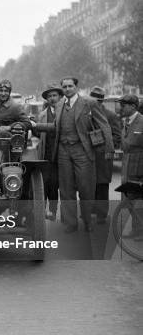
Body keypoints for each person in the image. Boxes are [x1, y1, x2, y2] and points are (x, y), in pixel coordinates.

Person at [34, 77, 114, 233]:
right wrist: (35, 125)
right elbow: (55, 126)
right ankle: (70, 223)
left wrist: (109, 148)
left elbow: (104, 124)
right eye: (64, 86)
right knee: (66, 189)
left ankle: (87, 220)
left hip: (82, 149)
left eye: (70, 86)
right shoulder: (59, 105)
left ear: (76, 87)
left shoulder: (89, 103)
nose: (67, 89)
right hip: (63, 151)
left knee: (86, 187)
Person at [89, 86, 122, 224]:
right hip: (87, 155)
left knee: (102, 185)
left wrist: (104, 144)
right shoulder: (84, 114)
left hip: (102, 156)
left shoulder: (110, 115)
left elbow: (117, 136)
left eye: (98, 101)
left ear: (101, 101)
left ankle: (102, 214)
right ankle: (91, 210)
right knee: (88, 184)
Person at [34, 83, 64, 221]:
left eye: (54, 95)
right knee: (43, 184)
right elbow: (37, 133)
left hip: (60, 155)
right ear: (46, 99)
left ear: (59, 96)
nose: (52, 98)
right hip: (46, 154)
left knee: (55, 185)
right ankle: (42, 211)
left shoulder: (64, 112)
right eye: (49, 96)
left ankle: (53, 210)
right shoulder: (42, 115)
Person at [117, 94, 143, 241]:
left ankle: (141, 231)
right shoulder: (125, 121)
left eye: (124, 105)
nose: (121, 107)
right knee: (129, 199)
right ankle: (136, 229)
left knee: (139, 200)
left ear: (133, 106)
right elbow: (125, 145)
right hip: (127, 164)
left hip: (139, 165)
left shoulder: (142, 121)